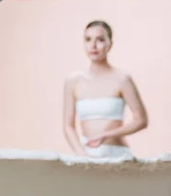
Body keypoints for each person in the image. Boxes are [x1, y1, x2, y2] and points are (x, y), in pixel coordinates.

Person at [63, 20, 148, 158]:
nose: (93, 46)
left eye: (100, 40)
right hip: (86, 156)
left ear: (110, 44)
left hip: (117, 154)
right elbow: (68, 126)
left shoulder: (122, 79)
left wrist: (107, 135)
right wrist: (81, 153)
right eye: (88, 39)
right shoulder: (73, 81)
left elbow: (141, 120)